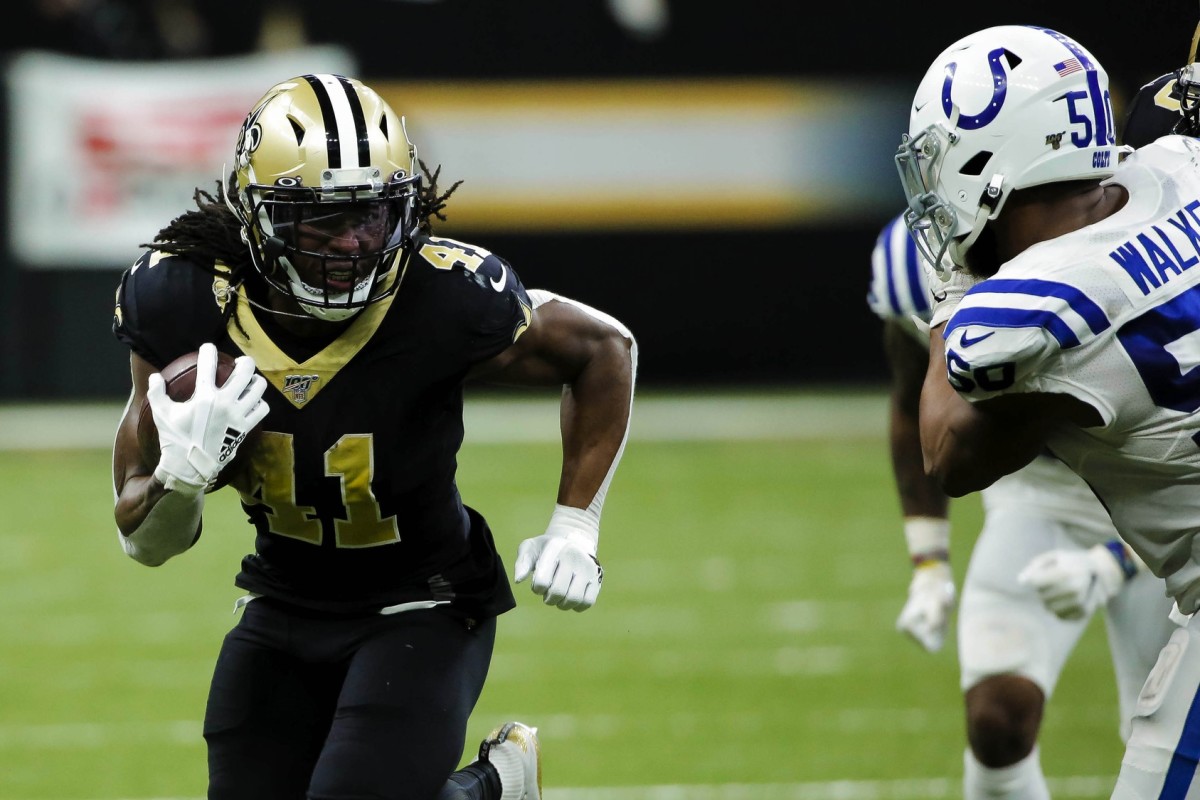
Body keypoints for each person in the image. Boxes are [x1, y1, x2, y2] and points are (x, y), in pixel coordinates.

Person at [110, 73, 637, 800]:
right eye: (319, 219)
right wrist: (183, 478)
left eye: (372, 215)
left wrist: (576, 526)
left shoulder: (445, 297)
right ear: (257, 216)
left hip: (425, 600)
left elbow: (604, 348)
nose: (353, 244)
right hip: (281, 604)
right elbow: (145, 543)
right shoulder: (182, 302)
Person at [897, 23, 1200, 798]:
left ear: (990, 166)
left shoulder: (1043, 310)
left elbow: (948, 452)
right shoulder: (1182, 168)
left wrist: (953, 283)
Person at [870, 213, 1174, 798]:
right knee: (995, 719)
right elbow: (913, 402)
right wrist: (928, 562)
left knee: (1161, 741)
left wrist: (1115, 559)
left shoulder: (1123, 243)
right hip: (1041, 491)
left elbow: (1183, 453)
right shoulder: (912, 265)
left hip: (1150, 483)